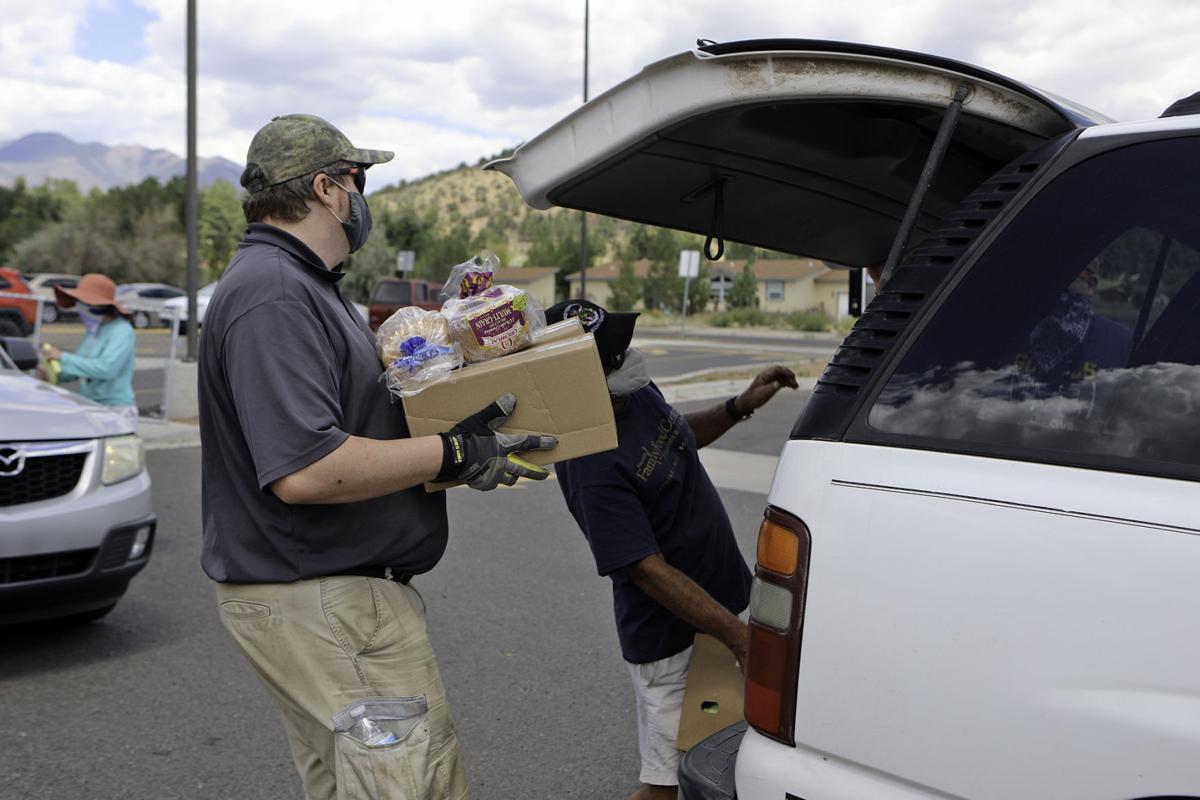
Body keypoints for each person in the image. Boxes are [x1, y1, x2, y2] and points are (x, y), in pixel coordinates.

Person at [198, 114, 555, 800]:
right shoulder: (274, 292)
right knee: (408, 785)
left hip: (328, 599)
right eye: (360, 181)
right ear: (328, 189)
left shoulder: (306, 284)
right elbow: (306, 468)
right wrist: (448, 453)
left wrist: (457, 428)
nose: (364, 199)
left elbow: (355, 425)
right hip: (326, 602)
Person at [547, 299, 798, 800]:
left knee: (722, 761)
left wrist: (739, 405)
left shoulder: (630, 395)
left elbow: (675, 436)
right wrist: (738, 638)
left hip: (717, 618)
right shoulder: (589, 463)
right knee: (663, 784)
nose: (625, 361)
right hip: (673, 643)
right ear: (574, 379)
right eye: (611, 358)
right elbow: (645, 570)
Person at [42, 273, 138, 423]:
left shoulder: (122, 331)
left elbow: (106, 369)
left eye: (84, 303)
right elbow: (82, 366)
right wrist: (54, 372)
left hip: (115, 410)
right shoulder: (94, 332)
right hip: (91, 407)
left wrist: (63, 357)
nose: (80, 308)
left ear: (100, 306)